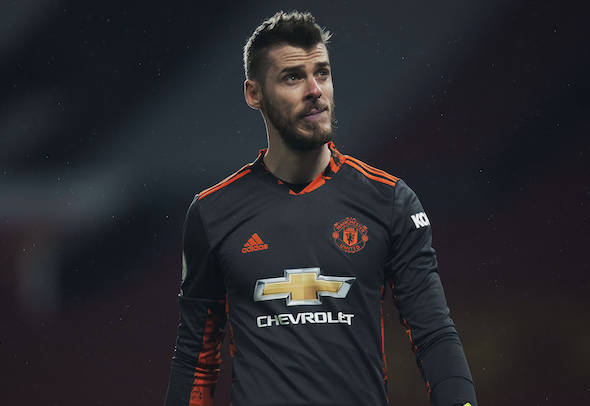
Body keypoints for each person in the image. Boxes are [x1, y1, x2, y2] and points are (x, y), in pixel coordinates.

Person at [164, 10, 477, 406]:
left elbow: (433, 334)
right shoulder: (212, 213)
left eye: (322, 73)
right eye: (293, 77)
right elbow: (196, 359)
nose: (315, 90)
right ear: (254, 93)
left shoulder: (390, 201)